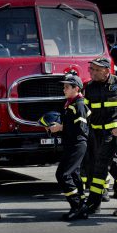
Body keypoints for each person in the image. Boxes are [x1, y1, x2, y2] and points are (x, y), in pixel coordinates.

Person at [83, 57, 117, 214]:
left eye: (95, 69)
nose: (91, 72)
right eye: (91, 69)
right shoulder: (89, 87)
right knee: (112, 164)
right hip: (96, 133)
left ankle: (94, 204)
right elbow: (86, 110)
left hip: (113, 134)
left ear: (106, 71)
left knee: (100, 166)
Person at [48, 74, 90, 221]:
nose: (64, 89)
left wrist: (61, 127)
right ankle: (82, 206)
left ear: (76, 88)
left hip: (77, 143)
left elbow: (81, 128)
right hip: (72, 143)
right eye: (64, 86)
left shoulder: (78, 104)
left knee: (63, 174)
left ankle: (77, 206)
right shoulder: (70, 104)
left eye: (67, 87)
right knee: (74, 175)